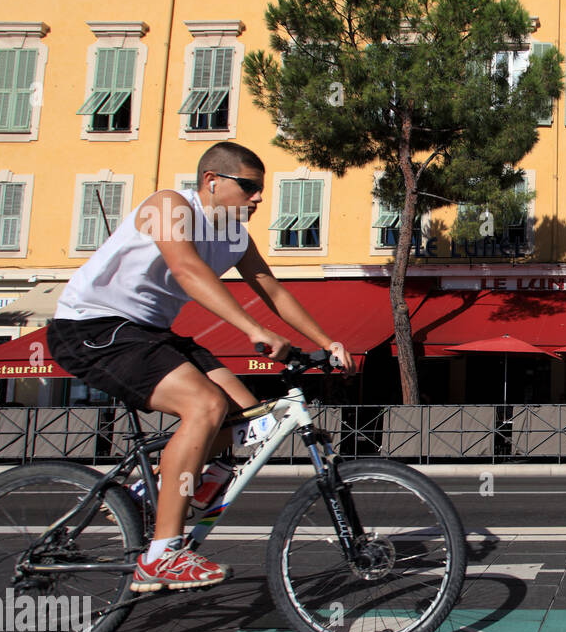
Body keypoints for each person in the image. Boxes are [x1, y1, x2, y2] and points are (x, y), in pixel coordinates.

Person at [46, 142, 356, 593]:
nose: (259, 198)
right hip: (93, 327)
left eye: (261, 189)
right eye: (249, 186)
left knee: (250, 420)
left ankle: (154, 490)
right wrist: (253, 329)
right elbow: (188, 270)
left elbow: (276, 293)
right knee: (206, 405)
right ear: (212, 181)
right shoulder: (169, 206)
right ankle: (162, 556)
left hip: (150, 333)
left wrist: (327, 342)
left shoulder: (235, 238)